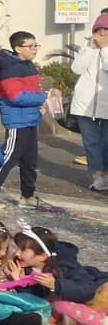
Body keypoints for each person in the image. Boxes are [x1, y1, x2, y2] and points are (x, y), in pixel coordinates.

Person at [9, 225, 108, 325]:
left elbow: (87, 290)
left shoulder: (65, 264)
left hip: (99, 290)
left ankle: (99, 324)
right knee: (58, 306)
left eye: (23, 250)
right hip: (77, 304)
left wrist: (56, 285)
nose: (17, 253)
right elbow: (34, 301)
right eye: (17, 248)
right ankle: (81, 322)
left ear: (43, 256)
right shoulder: (24, 269)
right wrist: (19, 282)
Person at [0, 31, 45, 203]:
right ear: (18, 49)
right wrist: (42, 97)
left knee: (29, 159)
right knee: (9, 157)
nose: (34, 49)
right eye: (30, 46)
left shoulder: (28, 65)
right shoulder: (10, 68)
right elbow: (16, 96)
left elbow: (31, 91)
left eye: (36, 45)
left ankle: (27, 194)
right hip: (17, 120)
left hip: (30, 119)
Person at [71, 13, 108, 193]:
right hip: (84, 105)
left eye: (106, 31)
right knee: (91, 142)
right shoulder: (86, 45)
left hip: (106, 105)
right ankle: (98, 177)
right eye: (99, 30)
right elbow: (77, 68)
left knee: (106, 142)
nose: (102, 34)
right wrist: (91, 48)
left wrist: (105, 48)